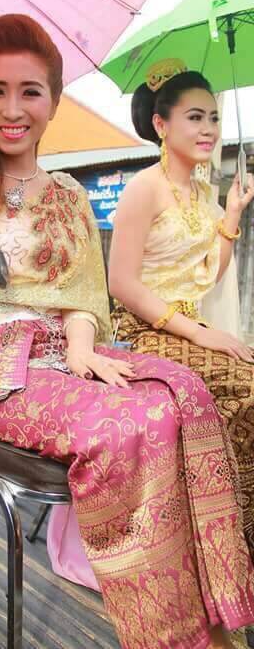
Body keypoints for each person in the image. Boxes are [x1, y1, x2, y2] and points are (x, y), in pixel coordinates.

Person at [0, 16, 254, 648]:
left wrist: (82, 351)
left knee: (183, 395)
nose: (12, 108)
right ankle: (168, 633)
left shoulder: (73, 195)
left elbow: (82, 297)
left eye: (30, 91)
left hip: (62, 356)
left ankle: (215, 608)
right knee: (130, 424)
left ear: (52, 102)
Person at [105, 61, 254, 561]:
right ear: (161, 125)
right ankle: (218, 548)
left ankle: (235, 541)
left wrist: (231, 217)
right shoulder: (143, 188)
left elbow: (208, 273)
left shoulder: (204, 195)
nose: (208, 128)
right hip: (141, 331)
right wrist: (201, 334)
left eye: (213, 117)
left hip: (188, 326)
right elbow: (121, 283)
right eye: (194, 117)